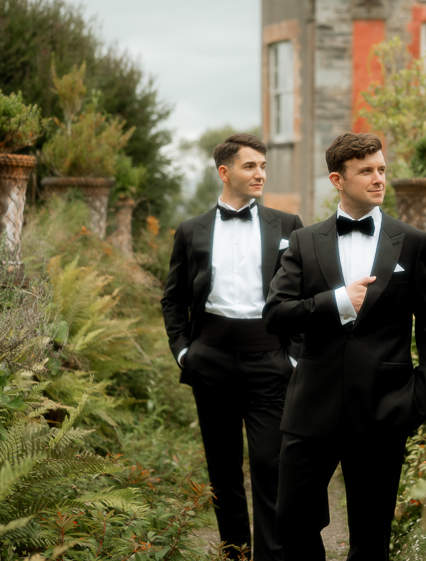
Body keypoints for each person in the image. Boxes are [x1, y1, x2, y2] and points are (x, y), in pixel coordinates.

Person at [263, 132, 426, 561]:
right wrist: (337, 301)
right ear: (337, 179)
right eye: (366, 171)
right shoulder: (305, 241)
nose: (378, 178)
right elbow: (275, 314)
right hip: (311, 409)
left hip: (383, 412)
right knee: (292, 521)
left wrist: (416, 402)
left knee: (371, 538)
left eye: (381, 169)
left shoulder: (413, 242)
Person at [162, 133, 302, 561]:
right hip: (212, 359)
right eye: (250, 166)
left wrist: (293, 356)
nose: (260, 173)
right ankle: (235, 555)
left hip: (270, 358)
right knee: (222, 472)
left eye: (262, 165)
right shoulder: (191, 230)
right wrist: (185, 352)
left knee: (270, 466)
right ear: (224, 172)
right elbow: (173, 297)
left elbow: (303, 294)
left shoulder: (288, 225)